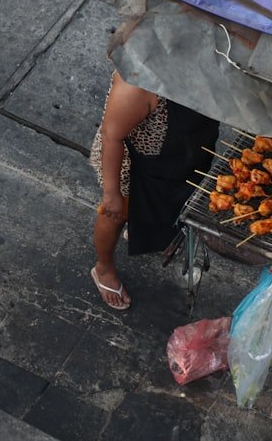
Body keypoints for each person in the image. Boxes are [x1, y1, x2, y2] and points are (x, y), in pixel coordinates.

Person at [89, 70, 219, 310]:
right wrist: (111, 193)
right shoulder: (138, 81)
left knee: (165, 204)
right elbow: (111, 137)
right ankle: (104, 269)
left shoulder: (201, 62)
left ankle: (140, 228)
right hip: (134, 164)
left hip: (179, 156)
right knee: (116, 214)